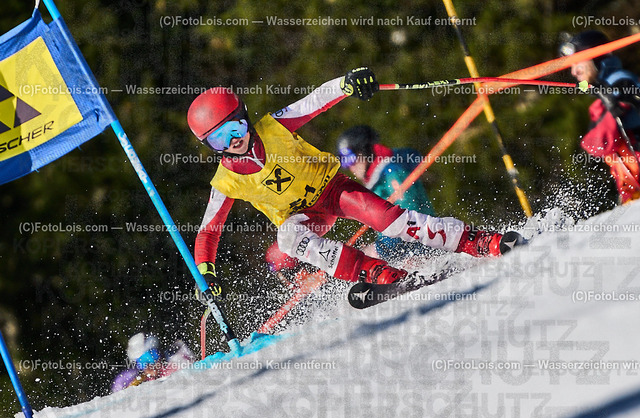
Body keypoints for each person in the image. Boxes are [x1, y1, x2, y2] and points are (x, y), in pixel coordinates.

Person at [188, 67, 521, 304]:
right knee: (288, 238)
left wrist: (347, 83)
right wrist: (206, 273)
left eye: (235, 128)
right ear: (210, 146)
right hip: (304, 217)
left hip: (333, 190)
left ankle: (478, 241)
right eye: (219, 140)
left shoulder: (273, 127)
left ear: (245, 116)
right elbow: (208, 232)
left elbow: (315, 101)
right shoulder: (226, 180)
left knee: (391, 222)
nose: (233, 141)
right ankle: (378, 273)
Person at [335, 125, 437, 263]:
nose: (350, 166)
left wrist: (378, 250)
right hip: (408, 256)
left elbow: (411, 219)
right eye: (344, 161)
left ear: (365, 151)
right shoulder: (376, 182)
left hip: (426, 252)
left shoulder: (392, 173)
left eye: (350, 158)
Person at [560, 30, 640, 204]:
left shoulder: (621, 82)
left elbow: (599, 144)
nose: (573, 72)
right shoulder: (606, 91)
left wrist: (616, 102)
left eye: (577, 63)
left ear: (595, 58)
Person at [110, 333, 194, 393]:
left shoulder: (176, 361)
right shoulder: (142, 379)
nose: (148, 365)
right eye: (141, 363)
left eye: (151, 357)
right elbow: (118, 387)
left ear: (159, 353)